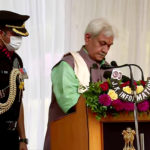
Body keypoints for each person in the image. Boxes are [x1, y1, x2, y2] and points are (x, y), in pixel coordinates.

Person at [44, 18, 115, 150]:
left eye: (109, 45)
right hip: (67, 138)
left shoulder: (109, 69)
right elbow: (70, 104)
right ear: (87, 38)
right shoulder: (68, 65)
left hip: (100, 140)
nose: (105, 50)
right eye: (102, 43)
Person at [0, 10, 29, 150]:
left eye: (20, 35)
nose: (18, 39)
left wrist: (23, 138)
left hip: (12, 136)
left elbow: (19, 99)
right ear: (1, 33)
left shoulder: (18, 61)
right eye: (15, 34)